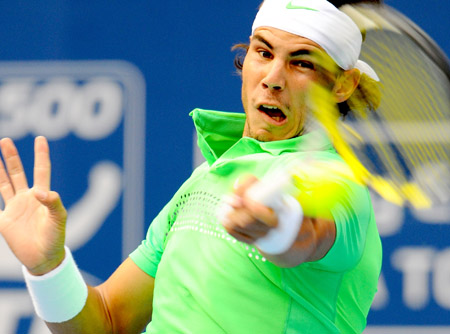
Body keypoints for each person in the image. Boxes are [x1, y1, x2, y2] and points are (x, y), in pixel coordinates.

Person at [0, 0, 382, 333]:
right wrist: (49, 269)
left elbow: (309, 235)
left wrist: (276, 228)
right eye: (263, 53)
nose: (272, 79)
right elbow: (108, 321)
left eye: (301, 63)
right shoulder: (202, 181)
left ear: (343, 85)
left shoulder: (335, 180)